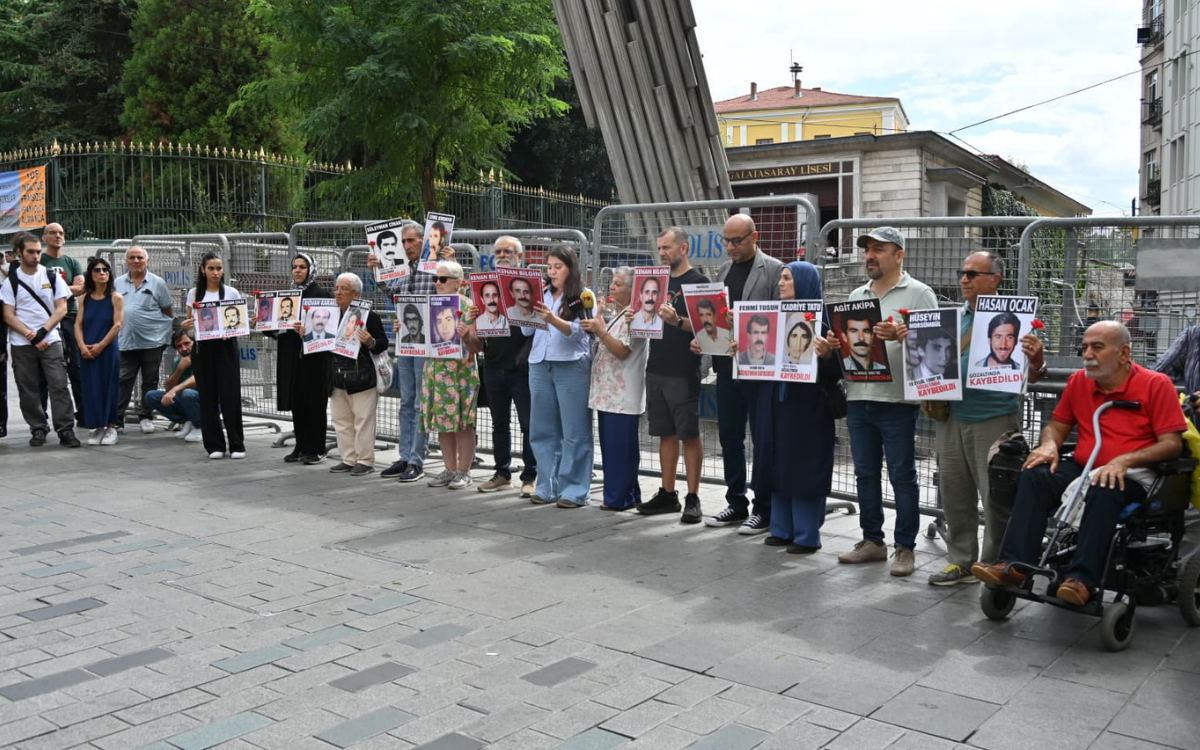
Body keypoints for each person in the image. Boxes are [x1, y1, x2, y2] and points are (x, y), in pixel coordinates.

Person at [972, 321, 1187, 606]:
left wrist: (1125, 460)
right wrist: (1049, 445)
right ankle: (1015, 566)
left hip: (1135, 474)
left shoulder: (1155, 385)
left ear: (1123, 353)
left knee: (1104, 487)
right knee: (1035, 475)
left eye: (1097, 347)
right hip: (1086, 465)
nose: (1087, 354)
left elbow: (1171, 444)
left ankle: (1081, 580)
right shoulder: (1079, 382)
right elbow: (1057, 426)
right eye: (1084, 347)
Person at [919, 251, 1047, 586]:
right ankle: (961, 561)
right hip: (951, 417)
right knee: (954, 492)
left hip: (994, 419)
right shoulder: (953, 317)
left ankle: (993, 564)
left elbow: (1031, 377)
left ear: (995, 280)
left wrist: (1037, 361)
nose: (964, 279)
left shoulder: (1015, 321)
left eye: (973, 274)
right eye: (963, 273)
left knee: (995, 497)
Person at [825, 227, 936, 577]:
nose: (870, 255)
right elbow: (851, 348)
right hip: (859, 396)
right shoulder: (857, 294)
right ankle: (873, 541)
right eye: (867, 250)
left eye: (879, 249)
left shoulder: (919, 294)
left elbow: (934, 351)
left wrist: (905, 336)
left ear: (899, 254)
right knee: (865, 474)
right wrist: (834, 343)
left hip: (898, 401)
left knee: (902, 475)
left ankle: (905, 547)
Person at [753, 261, 842, 553]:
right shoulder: (773, 317)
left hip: (808, 408)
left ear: (803, 283)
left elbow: (836, 373)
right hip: (776, 404)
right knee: (778, 463)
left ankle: (806, 535)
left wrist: (827, 356)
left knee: (804, 467)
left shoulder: (823, 322)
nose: (781, 283)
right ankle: (781, 528)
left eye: (788, 279)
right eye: (781, 278)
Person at [706, 214, 783, 534]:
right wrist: (706, 340)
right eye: (726, 240)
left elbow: (781, 320)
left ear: (755, 237)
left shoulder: (775, 270)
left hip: (759, 371)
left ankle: (764, 508)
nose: (730, 247)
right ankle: (736, 502)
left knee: (763, 440)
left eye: (736, 240)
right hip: (726, 367)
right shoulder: (724, 270)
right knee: (730, 436)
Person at [640, 228, 708, 523]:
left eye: (667, 247)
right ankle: (668, 493)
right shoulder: (655, 282)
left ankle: (693, 496)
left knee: (688, 433)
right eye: (660, 248)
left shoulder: (699, 282)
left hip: (682, 370)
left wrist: (677, 320)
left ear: (684, 248)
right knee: (665, 433)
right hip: (655, 367)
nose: (662, 252)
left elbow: (710, 328)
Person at [522, 245, 594, 508]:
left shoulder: (584, 295)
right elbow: (527, 333)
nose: (552, 272)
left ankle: (574, 490)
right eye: (549, 267)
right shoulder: (540, 293)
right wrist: (525, 314)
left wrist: (552, 318)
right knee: (541, 429)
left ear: (570, 268)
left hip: (571, 365)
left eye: (558, 267)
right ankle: (545, 486)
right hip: (540, 364)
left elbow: (581, 332)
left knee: (575, 431)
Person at [1, 232, 80, 447]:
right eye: (31, 252)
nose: (36, 256)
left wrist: (42, 332)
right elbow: (8, 315)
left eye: (38, 252)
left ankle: (65, 429)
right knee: (28, 388)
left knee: (59, 384)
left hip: (51, 339)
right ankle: (38, 428)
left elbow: (61, 308)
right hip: (22, 343)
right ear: (19, 253)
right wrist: (31, 335)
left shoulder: (51, 276)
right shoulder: (12, 282)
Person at [369, 220, 432, 483]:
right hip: (406, 343)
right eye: (404, 241)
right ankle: (405, 456)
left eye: (411, 241)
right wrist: (377, 271)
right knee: (406, 401)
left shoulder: (435, 267)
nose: (407, 246)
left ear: (423, 240)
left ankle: (417, 459)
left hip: (427, 344)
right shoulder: (403, 270)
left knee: (420, 403)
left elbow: (451, 294)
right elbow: (393, 293)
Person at [474, 236, 537, 496]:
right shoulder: (485, 286)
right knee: (499, 423)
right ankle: (502, 472)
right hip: (492, 364)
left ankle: (531, 475)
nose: (501, 254)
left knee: (528, 423)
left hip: (521, 369)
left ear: (519, 257)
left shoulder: (529, 286)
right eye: (497, 251)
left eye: (507, 251)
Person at [582, 266, 648, 510]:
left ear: (633, 290)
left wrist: (600, 330)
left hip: (622, 394)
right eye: (613, 283)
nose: (612, 287)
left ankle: (617, 497)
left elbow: (622, 351)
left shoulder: (636, 316)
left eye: (618, 284)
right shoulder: (620, 315)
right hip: (609, 394)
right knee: (616, 448)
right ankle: (630, 493)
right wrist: (599, 320)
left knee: (619, 450)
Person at [323, 273, 389, 476]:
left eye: (344, 289)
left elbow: (382, 344)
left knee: (363, 420)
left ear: (356, 294)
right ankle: (349, 458)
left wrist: (370, 342)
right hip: (337, 376)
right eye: (337, 288)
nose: (338, 292)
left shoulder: (370, 316)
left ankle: (365, 461)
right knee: (341, 420)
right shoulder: (330, 315)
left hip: (361, 377)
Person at [424, 260, 482, 490]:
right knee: (443, 421)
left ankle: (464, 471)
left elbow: (478, 346)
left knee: (463, 423)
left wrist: (467, 335)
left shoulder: (470, 307)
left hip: (461, 372)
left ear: (458, 283)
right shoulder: (428, 306)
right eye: (435, 279)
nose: (437, 283)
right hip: (436, 370)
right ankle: (449, 469)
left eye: (443, 279)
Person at [182, 252, 245, 459]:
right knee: (207, 397)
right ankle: (214, 445)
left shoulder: (231, 292)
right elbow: (190, 327)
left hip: (226, 348)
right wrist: (187, 326)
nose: (216, 273)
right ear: (203, 270)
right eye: (211, 268)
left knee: (230, 396)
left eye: (219, 268)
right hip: (203, 349)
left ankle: (236, 444)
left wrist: (231, 332)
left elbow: (239, 323)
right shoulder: (194, 294)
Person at [271, 253, 332, 464]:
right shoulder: (287, 294)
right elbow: (276, 328)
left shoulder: (321, 293)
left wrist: (307, 330)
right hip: (291, 356)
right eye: (295, 267)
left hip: (314, 358)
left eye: (302, 267)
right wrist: (266, 324)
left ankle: (316, 447)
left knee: (314, 402)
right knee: (297, 402)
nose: (297, 270)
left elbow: (327, 326)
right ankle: (301, 445)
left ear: (310, 270)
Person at [113, 246, 174, 434]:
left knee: (150, 380)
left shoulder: (158, 283)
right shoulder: (117, 283)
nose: (136, 260)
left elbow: (167, 311)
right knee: (123, 380)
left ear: (147, 261)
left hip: (152, 342)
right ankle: (117, 419)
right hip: (126, 340)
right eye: (132, 257)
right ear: (126, 261)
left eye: (140, 257)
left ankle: (146, 416)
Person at [38, 223, 85, 423]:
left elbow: (81, 288)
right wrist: (67, 288)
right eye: (52, 233)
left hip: (71, 317)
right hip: (46, 319)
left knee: (76, 366)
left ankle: (83, 413)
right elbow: (38, 289)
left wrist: (53, 287)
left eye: (60, 233)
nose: (57, 236)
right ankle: (41, 419)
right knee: (43, 370)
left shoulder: (72, 262)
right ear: (44, 238)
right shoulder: (39, 261)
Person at [76, 257, 125, 446]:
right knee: (90, 386)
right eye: (97, 270)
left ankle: (111, 426)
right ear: (90, 274)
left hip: (107, 348)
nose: (102, 273)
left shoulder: (116, 297)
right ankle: (96, 426)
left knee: (109, 385)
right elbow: (78, 324)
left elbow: (117, 325)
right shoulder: (84, 298)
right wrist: (81, 345)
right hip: (87, 348)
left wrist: (100, 346)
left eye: (106, 269)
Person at [143, 329, 203, 443]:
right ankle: (187, 421)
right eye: (179, 346)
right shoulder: (180, 362)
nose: (184, 349)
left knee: (187, 393)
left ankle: (200, 426)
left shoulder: (203, 357)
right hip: (187, 402)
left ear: (195, 342)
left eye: (187, 343)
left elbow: (198, 378)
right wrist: (179, 370)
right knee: (151, 396)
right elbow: (168, 389)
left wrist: (176, 389)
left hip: (209, 403)